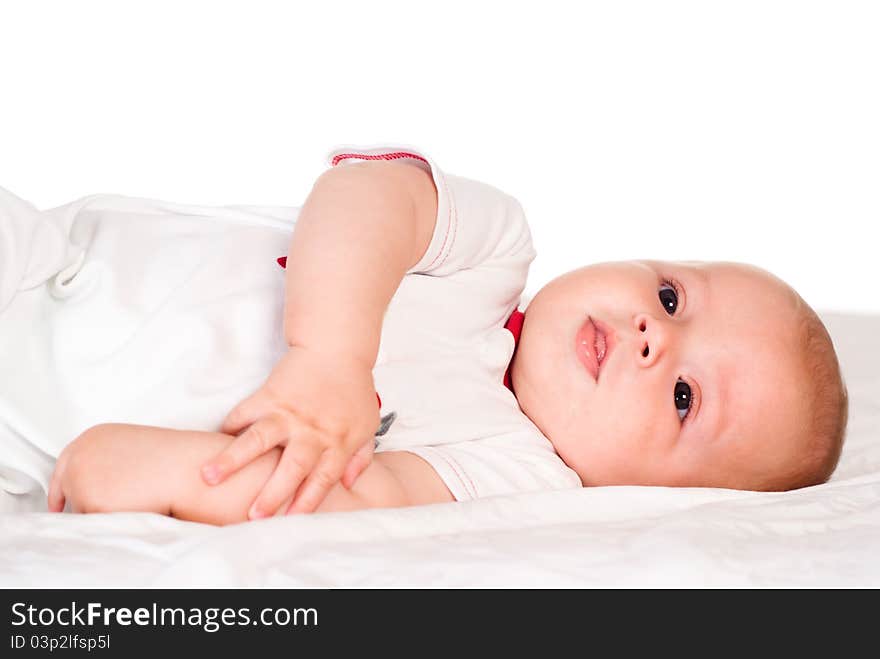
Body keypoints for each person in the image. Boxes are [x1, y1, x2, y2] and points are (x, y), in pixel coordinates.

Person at [40, 144, 848, 526]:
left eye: (682, 395)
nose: (649, 334)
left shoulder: (514, 474)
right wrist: (332, 356)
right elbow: (368, 194)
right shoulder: (493, 255)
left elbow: (350, 496)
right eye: (672, 297)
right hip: (55, 258)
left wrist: (171, 472)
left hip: (41, 414)